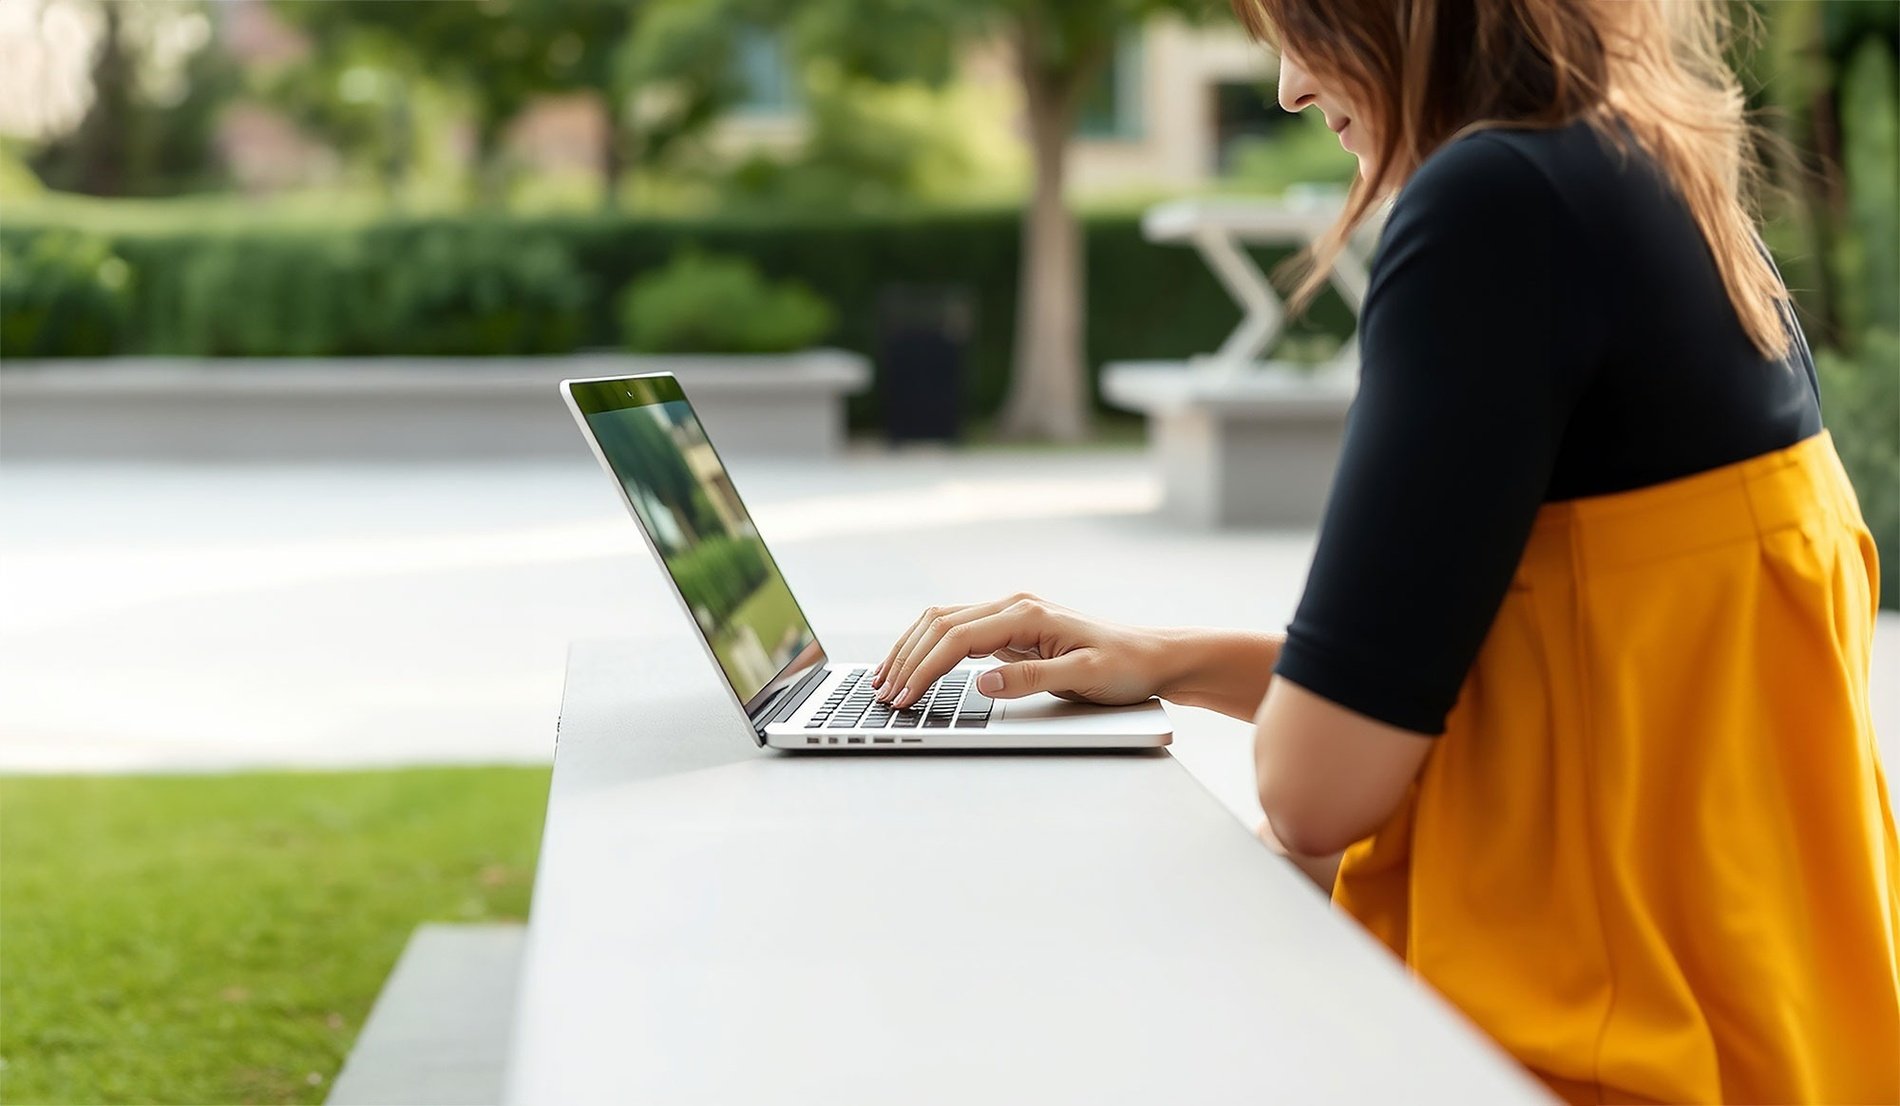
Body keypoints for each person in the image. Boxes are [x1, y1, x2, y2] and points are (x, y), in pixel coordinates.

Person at [866, 0, 1900, 1101]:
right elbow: (1525, 685)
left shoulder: (1494, 208)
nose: (1290, 90)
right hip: (1782, 1041)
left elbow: (1316, 788)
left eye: (1303, 27)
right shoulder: (1664, 182)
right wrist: (1161, 657)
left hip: (1592, 1061)